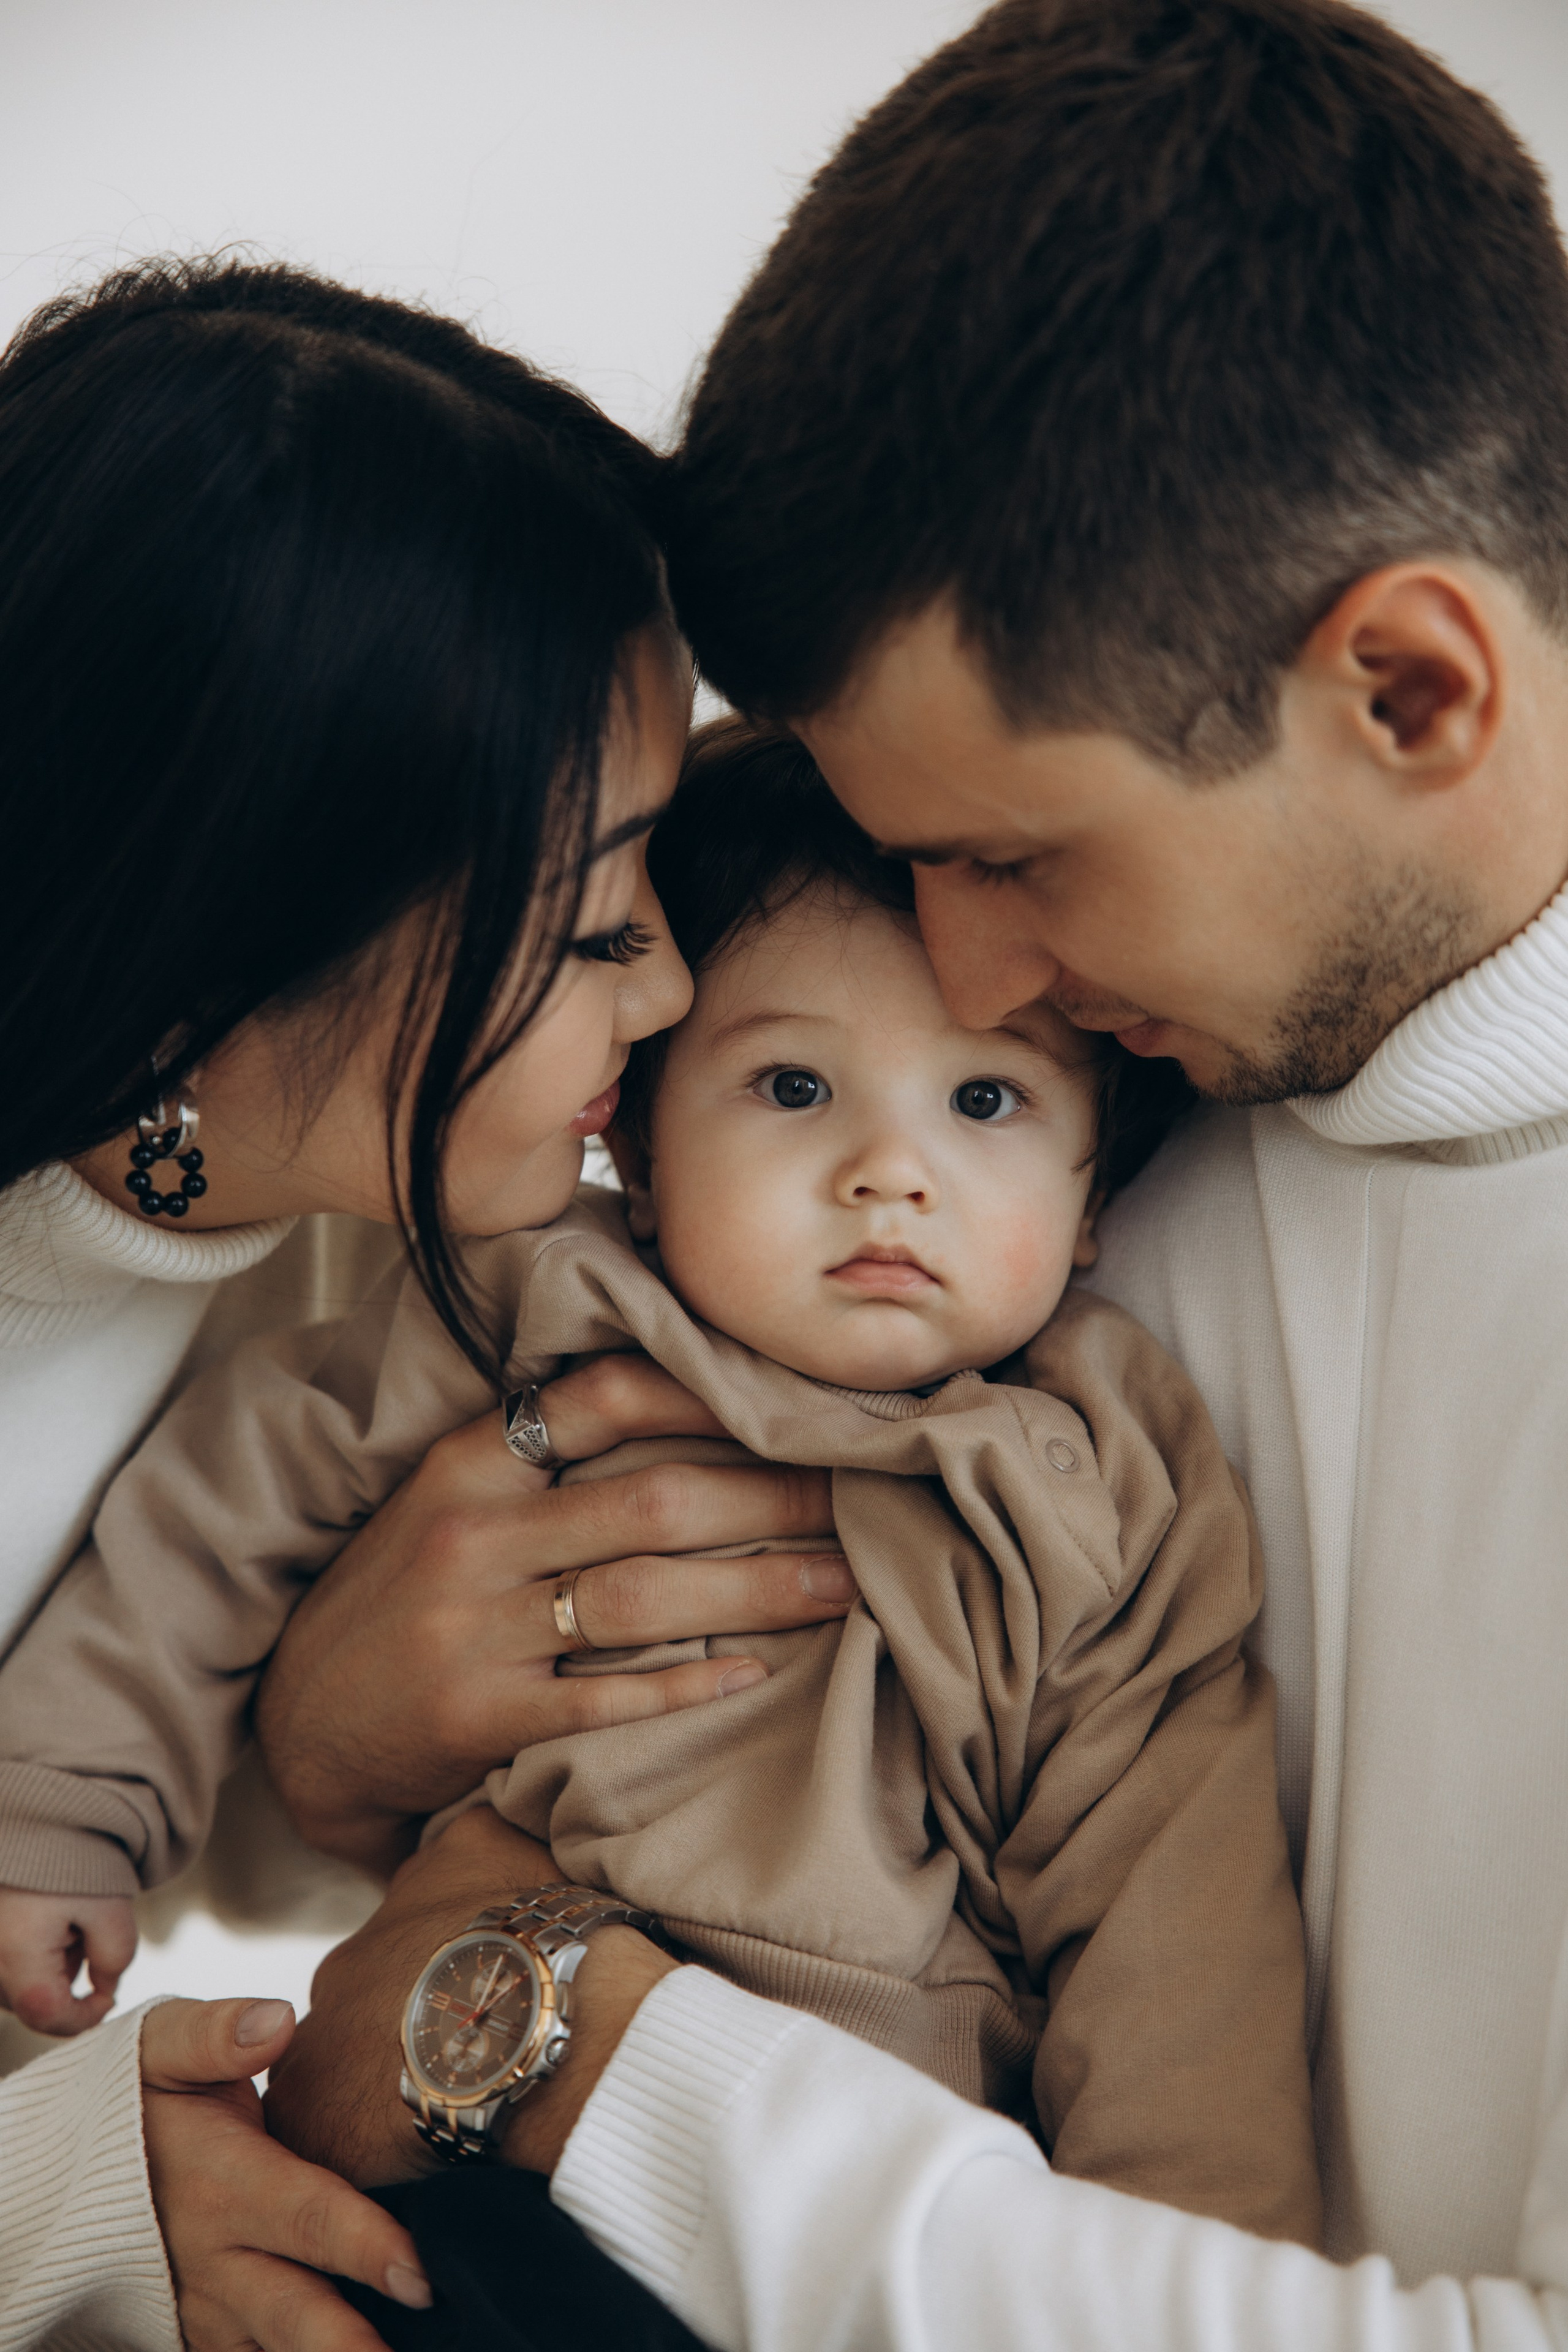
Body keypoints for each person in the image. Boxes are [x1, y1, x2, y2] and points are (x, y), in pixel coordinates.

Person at [264, 2, 1568, 2347]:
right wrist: (326, 1754)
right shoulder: (1103, 1089)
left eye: (1012, 858)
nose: (962, 990)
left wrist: (573, 2050)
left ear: (1411, 692)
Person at [0, 720, 1318, 2255]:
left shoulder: (1095, 1480)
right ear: (627, 1127)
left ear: (1094, 1197)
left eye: (983, 1105)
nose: (886, 1173)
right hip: (460, 2098)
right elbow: (220, 1507)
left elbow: (1173, 1910)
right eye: (792, 1085)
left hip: (881, 2157)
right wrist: (64, 1813)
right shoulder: (534, 1304)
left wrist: (1190, 2255)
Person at [0, 255, 851, 2350]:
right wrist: (58, 2195)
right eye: (591, 926)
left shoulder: (452, 1262)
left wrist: (333, 1765)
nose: (666, 997)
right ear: (238, 921)